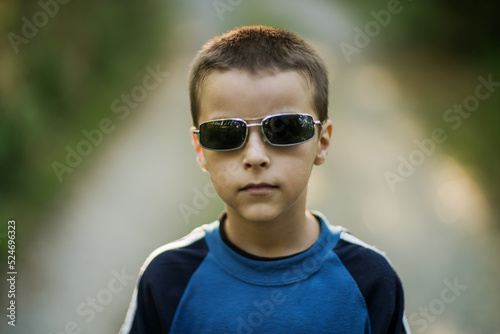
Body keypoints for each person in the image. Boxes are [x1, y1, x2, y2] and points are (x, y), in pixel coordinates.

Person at [120, 25, 411, 334]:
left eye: (284, 128)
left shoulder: (370, 279)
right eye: (226, 132)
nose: (255, 156)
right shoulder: (167, 278)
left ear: (322, 142)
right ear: (200, 149)